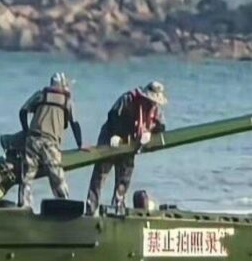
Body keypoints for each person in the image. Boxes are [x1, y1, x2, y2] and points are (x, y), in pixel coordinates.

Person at [86, 81, 167, 214]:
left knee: (124, 176)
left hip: (131, 141)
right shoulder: (128, 99)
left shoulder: (156, 109)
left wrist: (150, 133)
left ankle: (118, 208)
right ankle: (90, 208)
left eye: (154, 102)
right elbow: (113, 115)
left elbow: (162, 126)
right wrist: (116, 134)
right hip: (111, 136)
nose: (152, 104)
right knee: (101, 173)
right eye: (150, 100)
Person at [18, 72, 83, 208]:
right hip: (50, 142)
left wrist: (26, 131)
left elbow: (23, 111)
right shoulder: (66, 100)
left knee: (27, 177)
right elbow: (74, 123)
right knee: (57, 176)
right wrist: (80, 144)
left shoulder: (41, 95)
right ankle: (64, 204)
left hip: (32, 139)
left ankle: (23, 206)